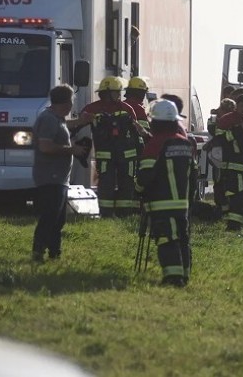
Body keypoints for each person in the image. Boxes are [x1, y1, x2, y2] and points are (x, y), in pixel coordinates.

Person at [134, 99, 192, 287]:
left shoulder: (155, 144)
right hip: (182, 204)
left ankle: (173, 278)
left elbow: (145, 176)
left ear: (156, 122)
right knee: (182, 239)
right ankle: (184, 274)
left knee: (167, 239)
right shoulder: (185, 143)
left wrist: (138, 190)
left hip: (161, 203)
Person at [31, 85, 92, 262]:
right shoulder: (48, 119)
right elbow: (45, 146)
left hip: (59, 178)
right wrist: (72, 150)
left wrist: (81, 121)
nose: (72, 105)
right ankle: (38, 250)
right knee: (49, 216)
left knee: (58, 219)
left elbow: (65, 125)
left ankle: (54, 253)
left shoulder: (57, 119)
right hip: (50, 177)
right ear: (66, 102)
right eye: (71, 101)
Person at [81, 76, 145, 217]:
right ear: (107, 93)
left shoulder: (126, 108)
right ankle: (106, 215)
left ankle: (124, 214)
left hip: (127, 155)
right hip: (106, 156)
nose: (119, 95)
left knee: (127, 185)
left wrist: (141, 151)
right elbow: (80, 120)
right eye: (116, 92)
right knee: (106, 185)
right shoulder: (94, 108)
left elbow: (137, 132)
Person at [215, 94, 243, 231]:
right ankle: (233, 227)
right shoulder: (227, 119)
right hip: (233, 166)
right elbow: (220, 138)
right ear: (236, 106)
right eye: (242, 106)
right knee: (237, 196)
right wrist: (239, 129)